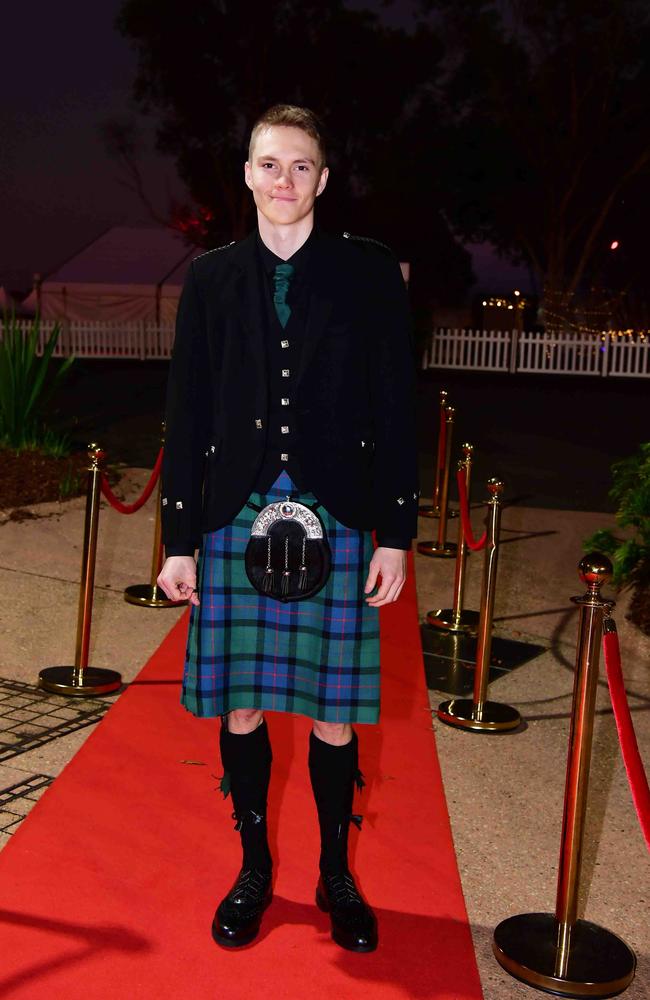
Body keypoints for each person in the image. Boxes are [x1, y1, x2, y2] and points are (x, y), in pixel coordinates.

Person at [158, 104, 418, 953]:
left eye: (301, 166)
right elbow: (187, 408)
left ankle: (336, 871)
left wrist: (394, 531)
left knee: (334, 711)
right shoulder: (210, 277)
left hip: (339, 510)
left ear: (324, 178)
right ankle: (254, 866)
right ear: (246, 174)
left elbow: (396, 406)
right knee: (239, 707)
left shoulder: (367, 274)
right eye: (270, 164)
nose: (284, 181)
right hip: (234, 510)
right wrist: (179, 539)